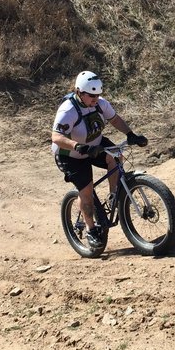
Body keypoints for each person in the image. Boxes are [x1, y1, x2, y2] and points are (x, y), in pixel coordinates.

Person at [51, 71, 148, 249]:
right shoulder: (68, 110)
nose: (95, 99)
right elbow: (56, 137)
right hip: (70, 155)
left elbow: (115, 119)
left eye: (97, 95)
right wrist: (77, 146)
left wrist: (130, 134)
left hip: (94, 145)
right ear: (79, 92)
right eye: (91, 96)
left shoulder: (100, 104)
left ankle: (114, 197)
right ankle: (90, 230)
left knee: (117, 155)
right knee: (86, 193)